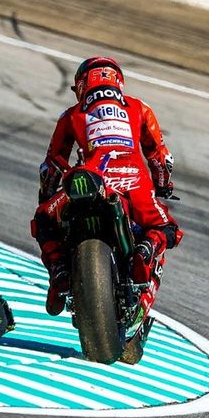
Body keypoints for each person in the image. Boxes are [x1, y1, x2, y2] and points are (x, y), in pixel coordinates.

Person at [31, 56, 182, 320]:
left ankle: (58, 271)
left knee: (43, 219)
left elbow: (52, 166)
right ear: (118, 83)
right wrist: (163, 186)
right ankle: (146, 248)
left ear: (81, 84)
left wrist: (46, 198)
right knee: (167, 228)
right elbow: (160, 158)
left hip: (92, 180)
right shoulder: (139, 107)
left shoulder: (71, 114)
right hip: (134, 181)